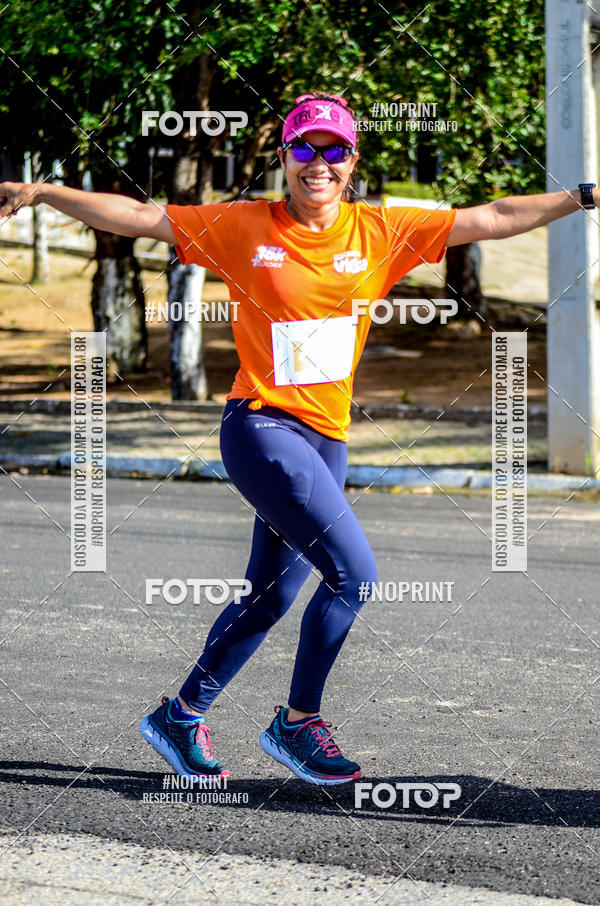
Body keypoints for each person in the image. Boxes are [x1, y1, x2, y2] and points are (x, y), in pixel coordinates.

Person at [1, 93, 597, 786]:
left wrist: (584, 195)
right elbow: (139, 217)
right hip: (261, 426)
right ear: (284, 157)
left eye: (334, 150)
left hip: (326, 440)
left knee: (270, 597)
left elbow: (492, 218)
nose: (319, 163)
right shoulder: (243, 224)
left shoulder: (381, 229)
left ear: (352, 162)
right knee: (354, 574)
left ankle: (180, 715)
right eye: (304, 149)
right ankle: (297, 722)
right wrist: (44, 191)